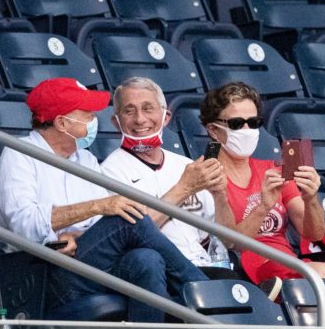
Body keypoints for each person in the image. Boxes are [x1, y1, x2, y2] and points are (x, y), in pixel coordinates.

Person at [0, 77, 207, 329]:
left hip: (87, 261)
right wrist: (94, 209)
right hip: (49, 274)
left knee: (146, 260)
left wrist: (83, 224)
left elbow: (94, 227)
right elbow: (23, 223)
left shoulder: (86, 159)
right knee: (125, 217)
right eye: (87, 115)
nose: (95, 121)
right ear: (63, 123)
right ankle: (205, 295)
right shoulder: (20, 155)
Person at [199, 82, 325, 302]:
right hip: (253, 272)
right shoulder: (204, 173)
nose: (247, 131)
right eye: (236, 124)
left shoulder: (272, 169)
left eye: (253, 123)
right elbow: (229, 243)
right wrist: (263, 207)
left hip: (292, 265)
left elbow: (314, 234)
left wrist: (311, 198)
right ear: (213, 129)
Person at [100, 77, 239, 279]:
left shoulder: (185, 165)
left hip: (204, 265)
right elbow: (133, 236)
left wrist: (220, 196)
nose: (140, 119)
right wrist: (184, 187)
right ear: (116, 122)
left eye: (148, 109)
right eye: (129, 111)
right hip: (160, 275)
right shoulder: (109, 172)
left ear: (166, 117)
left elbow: (227, 241)